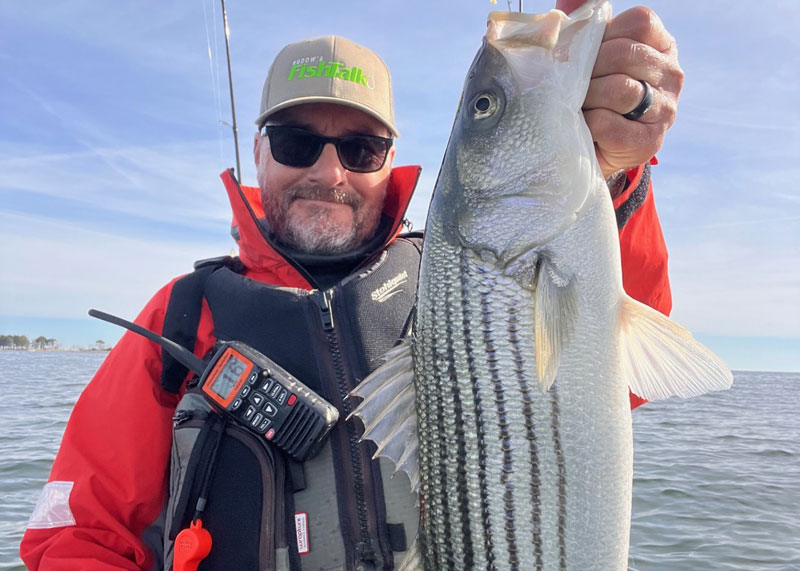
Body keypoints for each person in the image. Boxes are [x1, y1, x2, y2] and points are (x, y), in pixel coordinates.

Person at [20, 3, 683, 569]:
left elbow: (614, 371)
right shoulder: (181, 316)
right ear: (259, 153)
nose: (330, 173)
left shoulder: (455, 280)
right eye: (296, 142)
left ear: (390, 160)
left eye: (362, 148)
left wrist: (615, 174)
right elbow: (80, 531)